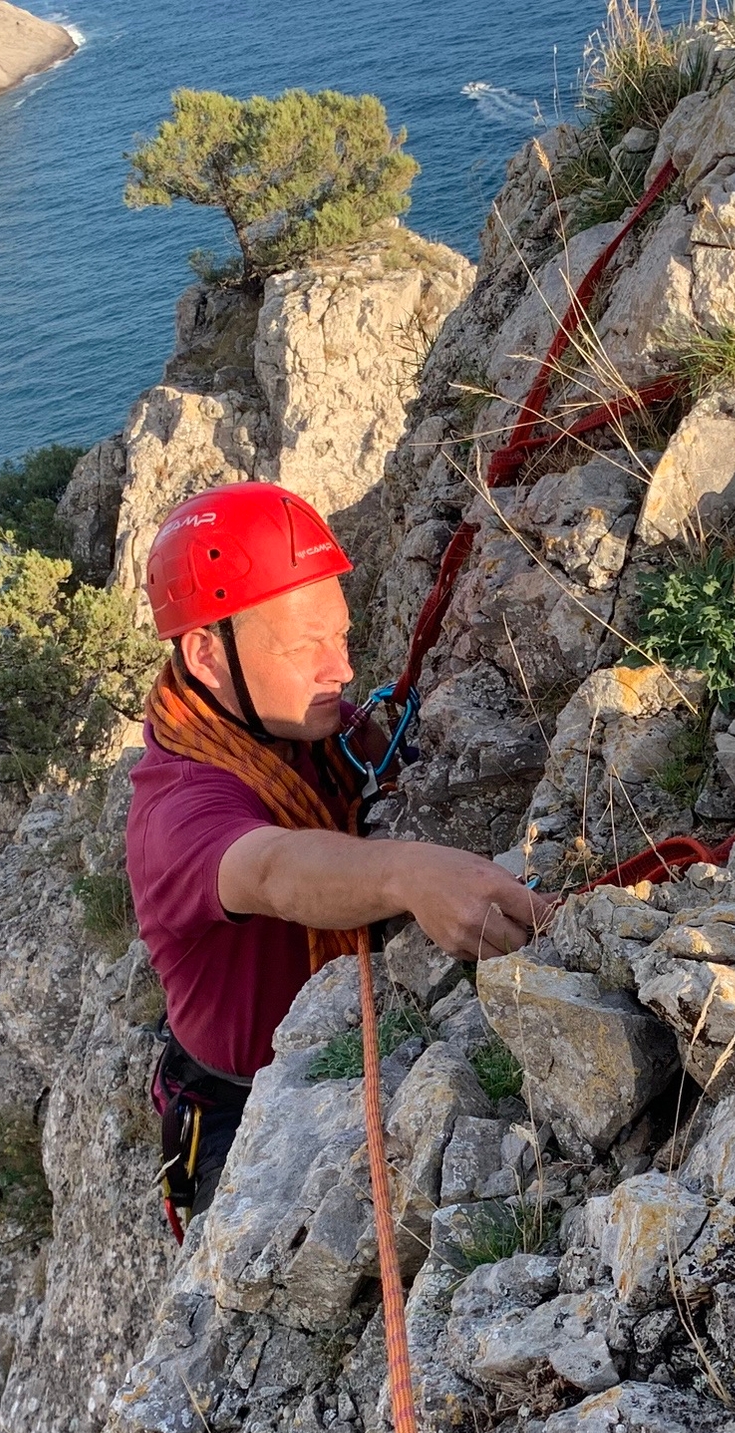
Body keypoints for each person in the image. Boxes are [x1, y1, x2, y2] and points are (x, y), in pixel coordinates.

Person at [125, 480, 550, 1229]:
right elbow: (270, 870)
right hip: (246, 1107)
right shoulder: (179, 811)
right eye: (304, 647)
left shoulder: (299, 727)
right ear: (205, 653)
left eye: (341, 637)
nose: (342, 670)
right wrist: (408, 873)